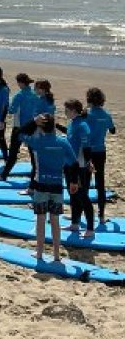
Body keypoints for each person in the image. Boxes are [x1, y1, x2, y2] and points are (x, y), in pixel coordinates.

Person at [20, 114, 79, 261]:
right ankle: (56, 255)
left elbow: (18, 134)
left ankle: (39, 254)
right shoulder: (63, 142)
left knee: (40, 220)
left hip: (41, 186)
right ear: (54, 126)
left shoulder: (37, 142)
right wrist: (73, 182)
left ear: (41, 127)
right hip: (57, 185)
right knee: (55, 221)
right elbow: (74, 163)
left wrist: (33, 121)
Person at [0, 73, 38, 180]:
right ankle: (35, 177)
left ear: (20, 83)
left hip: (19, 128)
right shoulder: (35, 95)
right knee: (33, 154)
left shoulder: (19, 95)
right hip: (33, 126)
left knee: (13, 152)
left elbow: (11, 110)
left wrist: (7, 108)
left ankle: (3, 175)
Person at [61, 99, 94, 237]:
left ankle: (90, 229)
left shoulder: (82, 126)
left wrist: (88, 163)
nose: (65, 112)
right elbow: (70, 138)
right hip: (69, 164)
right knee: (72, 194)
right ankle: (75, 224)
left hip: (80, 166)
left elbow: (86, 148)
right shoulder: (72, 123)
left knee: (83, 197)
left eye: (67, 110)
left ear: (74, 111)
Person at [85, 87, 116, 223]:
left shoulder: (87, 114)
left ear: (89, 99)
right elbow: (113, 130)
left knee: (85, 182)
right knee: (100, 183)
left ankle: (81, 213)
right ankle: (102, 215)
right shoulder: (106, 114)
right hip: (100, 152)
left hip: (88, 152)